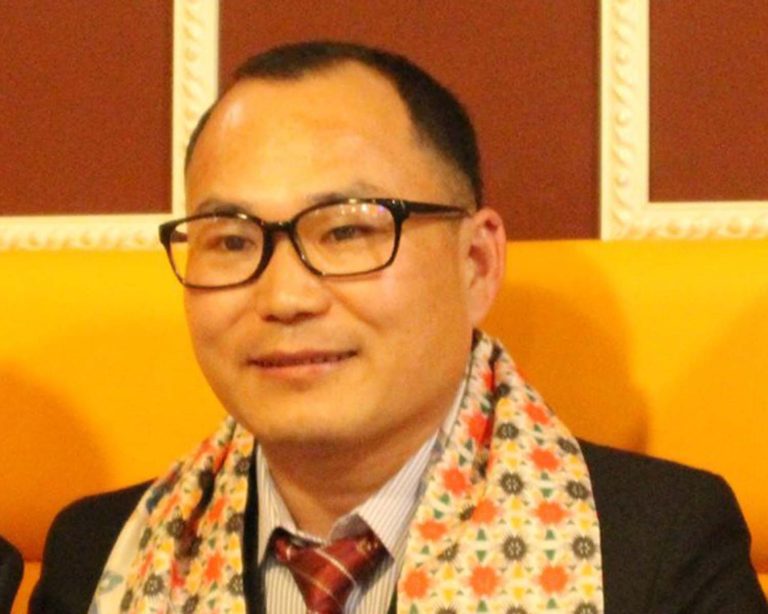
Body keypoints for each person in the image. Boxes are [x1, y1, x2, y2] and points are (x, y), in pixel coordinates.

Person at [31, 41, 766, 614]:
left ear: (476, 264)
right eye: (231, 240)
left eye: (347, 231)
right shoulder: (102, 558)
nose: (284, 296)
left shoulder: (656, 550)